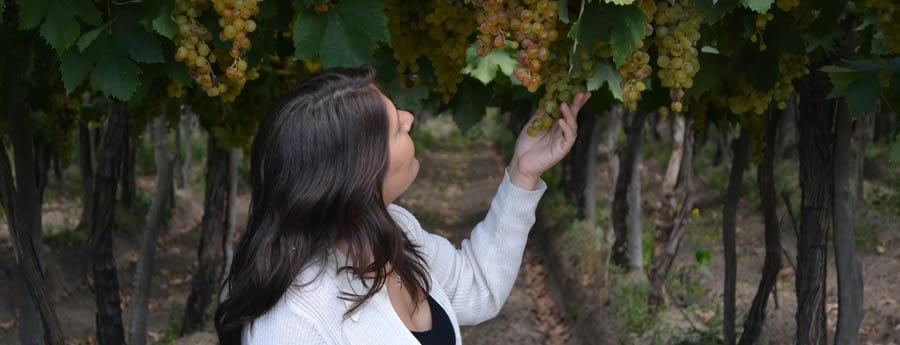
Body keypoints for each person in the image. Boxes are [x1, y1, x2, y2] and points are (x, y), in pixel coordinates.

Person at [214, 67, 590, 345]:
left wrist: (522, 174)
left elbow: (478, 288)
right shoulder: (292, 321)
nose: (410, 119)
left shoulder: (394, 229)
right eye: (395, 127)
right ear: (359, 174)